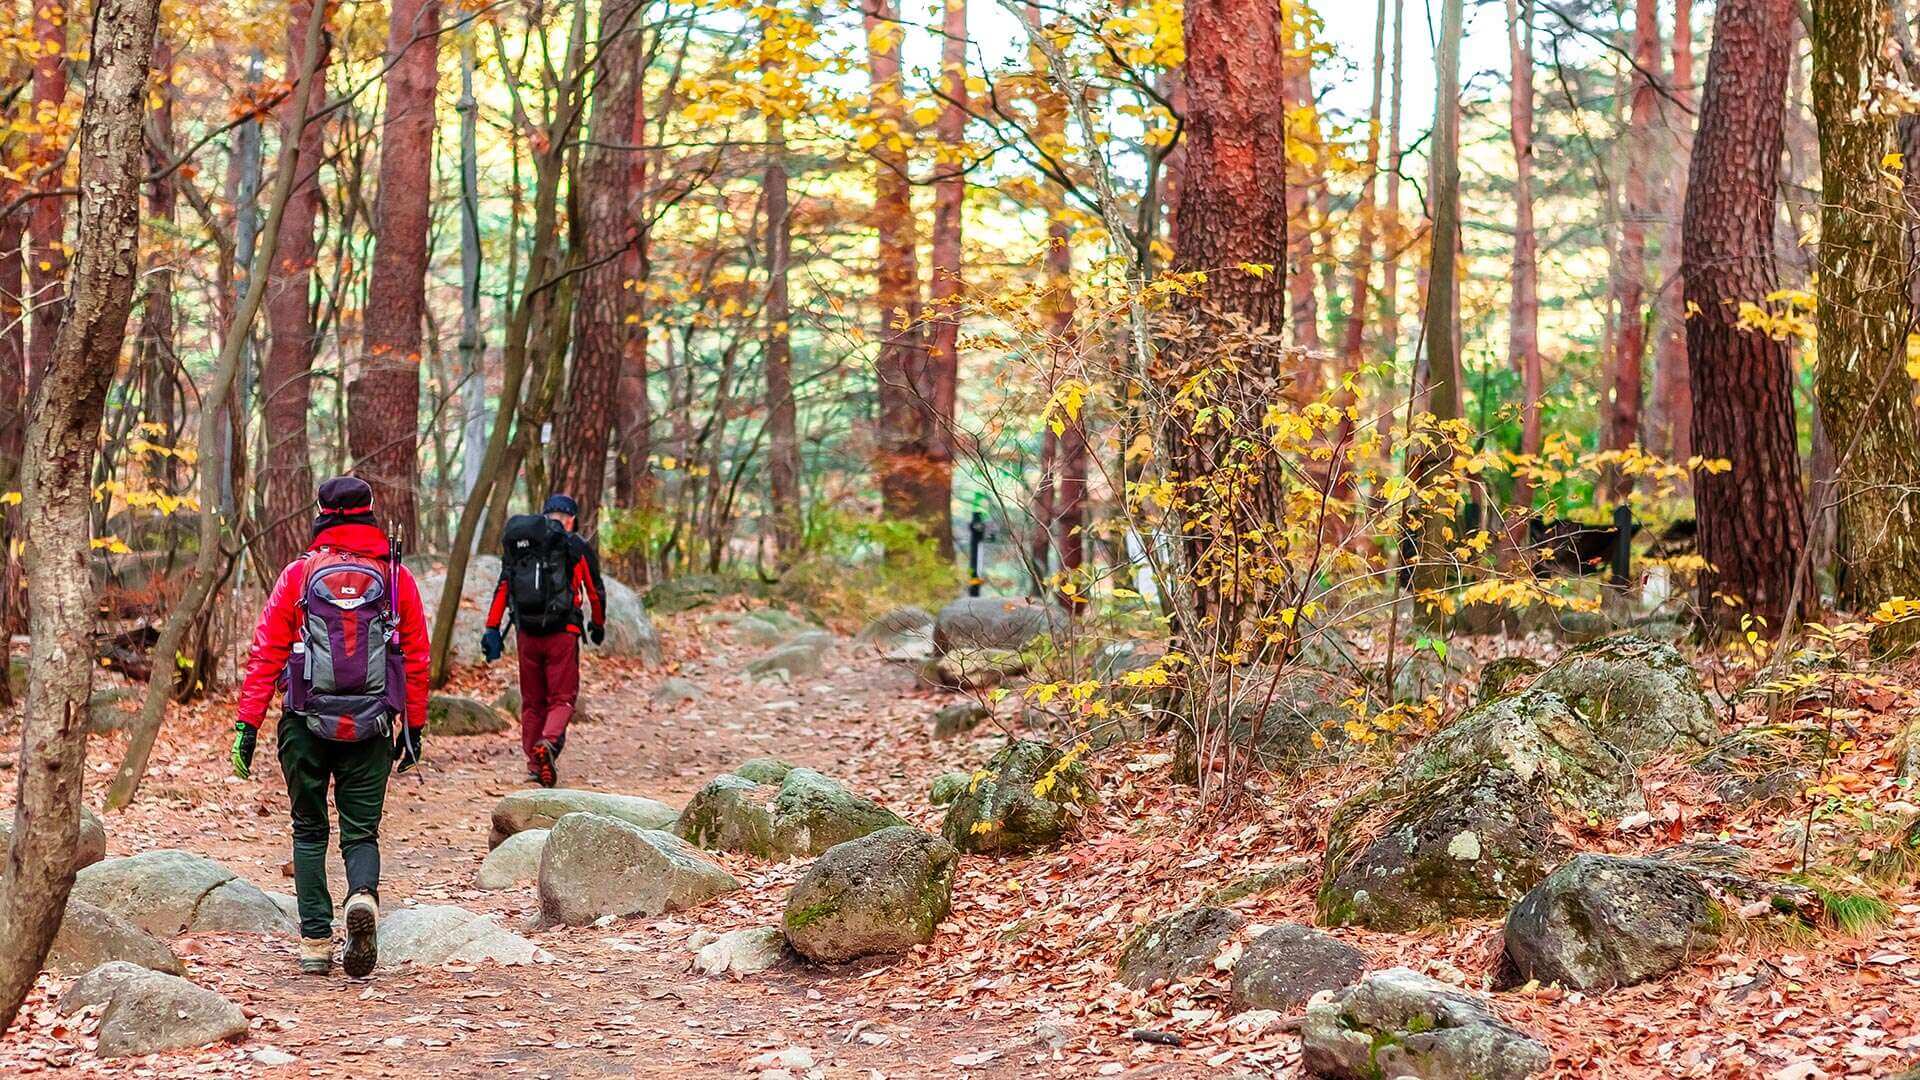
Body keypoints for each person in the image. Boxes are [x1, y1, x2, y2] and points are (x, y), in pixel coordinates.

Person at [230, 476, 430, 978]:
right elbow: (416, 656)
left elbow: (266, 652)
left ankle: (316, 942)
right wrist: (414, 726)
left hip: (305, 722)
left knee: (308, 829)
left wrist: (247, 725)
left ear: (320, 512)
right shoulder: (395, 576)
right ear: (371, 512)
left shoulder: (299, 574)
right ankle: (361, 896)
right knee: (361, 833)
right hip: (372, 723)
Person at [481, 493, 606, 788]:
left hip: (527, 634)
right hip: (563, 633)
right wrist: (598, 624)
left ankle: (534, 765)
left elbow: (503, 587)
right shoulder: (574, 545)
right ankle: (548, 743)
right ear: (571, 520)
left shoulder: (523, 543)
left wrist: (492, 628)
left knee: (532, 703)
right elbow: (594, 589)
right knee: (562, 699)